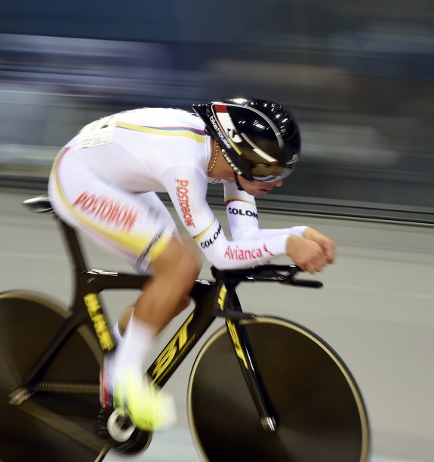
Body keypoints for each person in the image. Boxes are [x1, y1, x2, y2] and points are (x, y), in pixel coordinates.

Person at [47, 97, 336, 432]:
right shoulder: (184, 166)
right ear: (238, 157)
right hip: (79, 178)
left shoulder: (229, 159)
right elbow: (221, 256)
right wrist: (288, 244)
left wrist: (298, 233)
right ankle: (121, 377)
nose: (277, 181)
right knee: (181, 267)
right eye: (268, 170)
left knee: (174, 292)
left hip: (116, 176)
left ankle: (112, 355)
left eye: (283, 170)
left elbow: (245, 240)